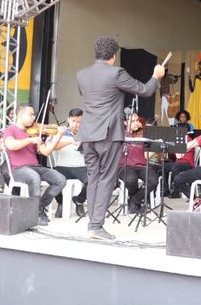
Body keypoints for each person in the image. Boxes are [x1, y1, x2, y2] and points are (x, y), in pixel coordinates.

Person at [76, 36, 164, 240]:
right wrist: (156, 76)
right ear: (114, 56)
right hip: (108, 134)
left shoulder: (81, 74)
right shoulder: (116, 73)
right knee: (107, 178)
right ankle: (96, 226)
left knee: (93, 177)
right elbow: (145, 90)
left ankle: (93, 224)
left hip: (88, 134)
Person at [3, 104, 67, 226]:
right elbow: (11, 145)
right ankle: (36, 213)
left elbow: (46, 152)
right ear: (20, 115)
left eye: (34, 114)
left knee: (60, 180)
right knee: (33, 177)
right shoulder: (10, 130)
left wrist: (58, 136)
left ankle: (39, 206)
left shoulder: (34, 132)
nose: (34, 117)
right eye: (31, 114)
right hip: (18, 169)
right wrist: (29, 140)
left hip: (35, 167)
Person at [118, 113, 159, 212]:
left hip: (142, 165)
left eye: (137, 121)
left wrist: (157, 146)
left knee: (153, 180)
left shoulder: (142, 136)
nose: (136, 123)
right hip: (125, 165)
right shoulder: (120, 135)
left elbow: (146, 156)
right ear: (125, 122)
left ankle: (134, 201)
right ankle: (135, 202)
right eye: (133, 121)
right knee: (131, 179)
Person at [51, 108, 87, 218]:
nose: (76, 124)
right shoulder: (61, 132)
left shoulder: (87, 133)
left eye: (79, 122)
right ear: (68, 119)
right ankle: (61, 203)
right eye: (73, 121)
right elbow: (53, 147)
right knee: (53, 178)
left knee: (93, 179)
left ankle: (79, 200)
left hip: (81, 167)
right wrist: (70, 141)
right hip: (63, 166)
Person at [186, 52, 201, 130]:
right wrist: (189, 76)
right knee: (194, 112)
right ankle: (194, 128)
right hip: (195, 97)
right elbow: (191, 89)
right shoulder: (196, 76)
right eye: (200, 65)